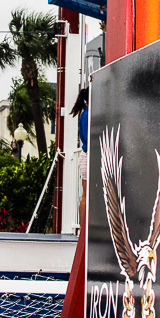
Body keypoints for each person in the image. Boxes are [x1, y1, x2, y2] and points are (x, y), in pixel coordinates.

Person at [71, 87, 89, 221]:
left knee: (87, 194)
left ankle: (84, 228)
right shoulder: (88, 115)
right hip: (88, 156)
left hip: (87, 155)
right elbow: (89, 139)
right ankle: (83, 228)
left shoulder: (86, 114)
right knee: (86, 194)